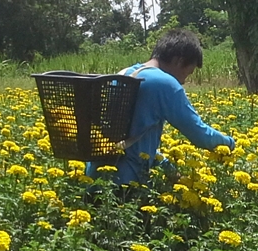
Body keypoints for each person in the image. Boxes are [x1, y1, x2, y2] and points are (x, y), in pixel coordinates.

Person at [86, 29, 235, 189]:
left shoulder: (126, 73)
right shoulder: (164, 84)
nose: (184, 81)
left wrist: (170, 171)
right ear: (179, 60)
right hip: (126, 188)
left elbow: (132, 139)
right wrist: (230, 143)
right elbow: (199, 134)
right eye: (188, 72)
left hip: (95, 179)